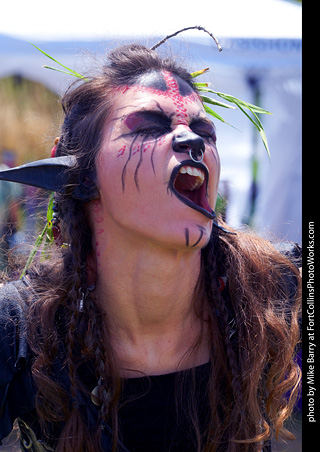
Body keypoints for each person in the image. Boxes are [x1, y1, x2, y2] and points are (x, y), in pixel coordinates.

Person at [0, 43, 301, 452]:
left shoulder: (282, 289)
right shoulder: (21, 327)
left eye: (205, 131)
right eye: (148, 126)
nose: (190, 138)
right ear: (81, 176)